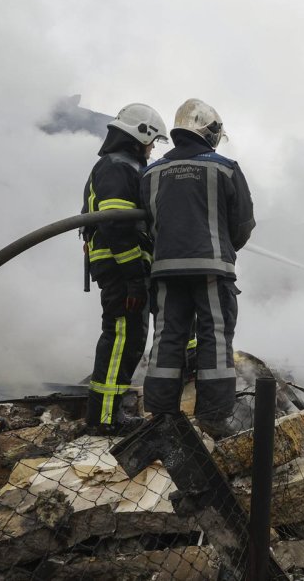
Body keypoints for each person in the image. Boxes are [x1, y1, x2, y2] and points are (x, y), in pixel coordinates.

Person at [141, 99, 255, 438]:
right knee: (215, 339)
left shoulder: (150, 172)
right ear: (211, 131)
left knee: (167, 340)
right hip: (212, 269)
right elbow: (243, 224)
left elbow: (147, 223)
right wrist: (223, 247)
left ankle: (160, 418)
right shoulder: (225, 168)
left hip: (164, 271)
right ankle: (214, 420)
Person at [81, 103, 167, 435]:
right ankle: (103, 418)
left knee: (130, 338)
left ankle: (110, 411)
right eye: (151, 141)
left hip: (122, 266)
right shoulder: (118, 167)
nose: (152, 148)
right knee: (119, 337)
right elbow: (116, 223)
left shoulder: (122, 165)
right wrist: (133, 277)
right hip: (119, 267)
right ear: (140, 135)